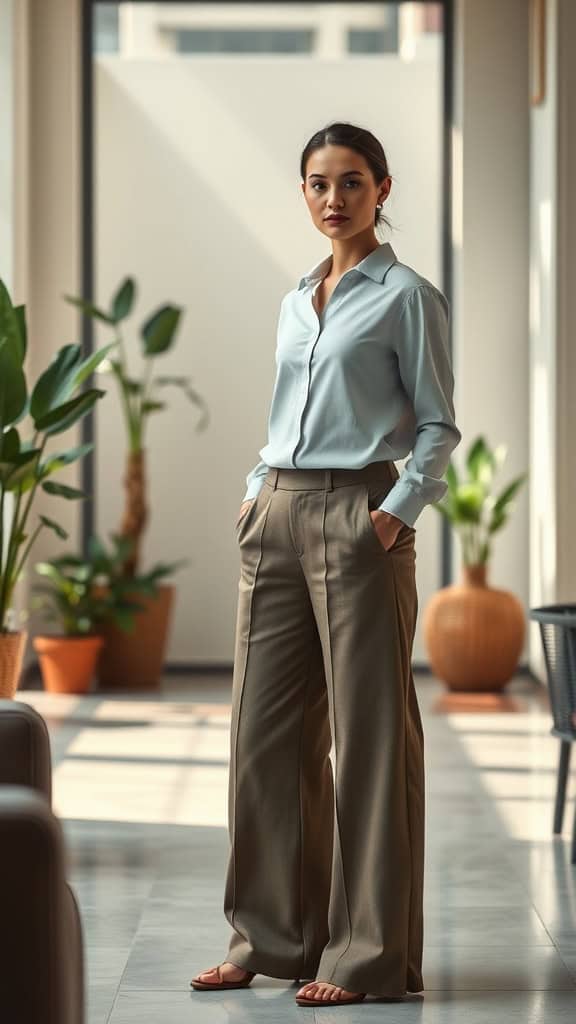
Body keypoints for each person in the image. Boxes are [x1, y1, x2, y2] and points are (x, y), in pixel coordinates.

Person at [191, 121, 461, 1007]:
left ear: (382, 189)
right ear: (303, 193)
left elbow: (436, 425)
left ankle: (366, 954)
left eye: (351, 181)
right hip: (277, 512)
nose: (333, 198)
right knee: (260, 739)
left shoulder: (407, 295)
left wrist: (390, 516)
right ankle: (267, 939)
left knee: (372, 743)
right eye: (317, 183)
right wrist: (254, 488)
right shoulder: (295, 298)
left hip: (360, 513)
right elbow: (284, 409)